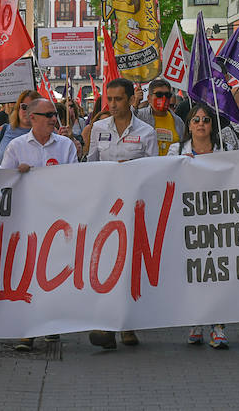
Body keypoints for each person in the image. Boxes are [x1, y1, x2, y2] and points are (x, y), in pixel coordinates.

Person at [0, 95, 79, 351]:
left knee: (52, 272)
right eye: (48, 115)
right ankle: (27, 330)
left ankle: (51, 325)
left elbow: (76, 178)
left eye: (54, 114)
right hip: (28, 220)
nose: (54, 119)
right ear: (32, 118)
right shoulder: (17, 147)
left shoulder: (65, 146)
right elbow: (2, 181)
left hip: (57, 220)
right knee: (28, 273)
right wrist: (16, 175)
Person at [85, 78, 157, 349]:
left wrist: (134, 167)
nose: (112, 104)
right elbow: (90, 163)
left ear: (130, 100)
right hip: (104, 208)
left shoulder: (147, 132)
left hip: (134, 208)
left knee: (130, 266)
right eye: (109, 99)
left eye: (117, 99)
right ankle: (107, 325)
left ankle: (129, 325)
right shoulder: (98, 128)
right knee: (107, 264)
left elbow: (153, 171)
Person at [168, 104, 230, 349]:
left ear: (212, 125)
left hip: (219, 219)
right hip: (189, 220)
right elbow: (166, 179)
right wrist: (180, 166)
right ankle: (196, 321)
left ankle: (219, 326)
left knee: (218, 274)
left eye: (205, 120)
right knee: (194, 273)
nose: (201, 124)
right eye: (196, 120)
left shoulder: (225, 150)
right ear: (189, 125)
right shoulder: (177, 150)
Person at [135, 78, 185, 155]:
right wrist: (135, 103)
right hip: (148, 165)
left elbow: (184, 147)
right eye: (159, 95)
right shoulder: (139, 116)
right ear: (149, 98)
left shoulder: (178, 122)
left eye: (167, 95)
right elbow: (123, 122)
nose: (163, 98)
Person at [0, 90, 35, 164]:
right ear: (18, 109)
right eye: (24, 107)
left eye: (32, 107)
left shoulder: (49, 133)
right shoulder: (2, 131)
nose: (28, 111)